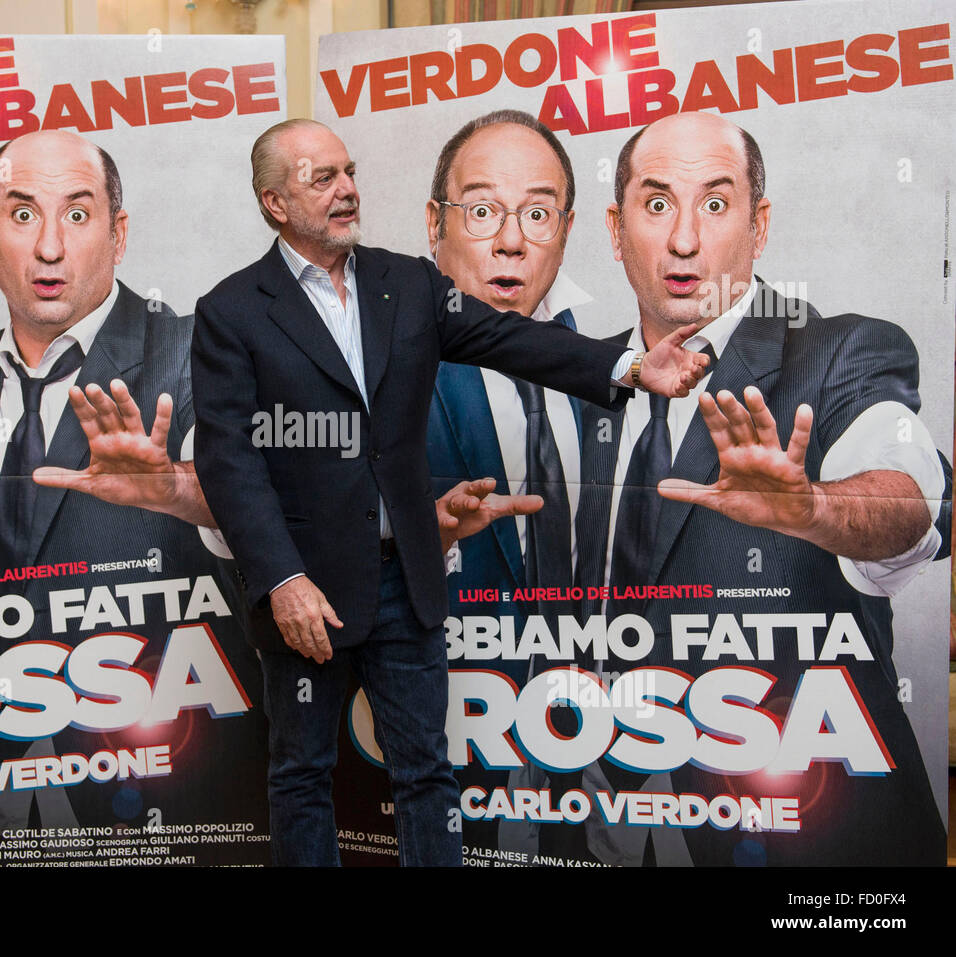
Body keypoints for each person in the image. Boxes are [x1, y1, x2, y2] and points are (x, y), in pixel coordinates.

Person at [190, 118, 709, 866]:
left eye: (348, 171)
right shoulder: (233, 310)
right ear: (274, 202)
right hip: (309, 590)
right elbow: (229, 460)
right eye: (321, 179)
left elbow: (512, 339)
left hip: (406, 575)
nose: (347, 190)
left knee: (428, 774)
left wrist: (628, 366)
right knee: (301, 776)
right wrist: (282, 577)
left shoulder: (407, 283)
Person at [571, 110, 947, 865]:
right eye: (655, 205)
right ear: (615, 231)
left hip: (807, 841)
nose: (684, 240)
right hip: (603, 822)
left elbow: (912, 497)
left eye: (715, 204)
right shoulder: (574, 377)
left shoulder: (843, 349)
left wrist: (813, 508)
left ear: (760, 224)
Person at [0, 129, 255, 832]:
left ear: (118, 236)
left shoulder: (202, 356)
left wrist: (194, 497)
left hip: (156, 791)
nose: (49, 247)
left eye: (78, 215)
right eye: (22, 215)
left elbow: (302, 538)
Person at [421, 109, 597, 861]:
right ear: (436, 225)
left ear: (567, 227)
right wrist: (407, 534)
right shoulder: (374, 372)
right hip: (444, 743)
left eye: (537, 213)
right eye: (483, 210)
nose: (512, 239)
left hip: (601, 752)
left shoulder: (613, 372)